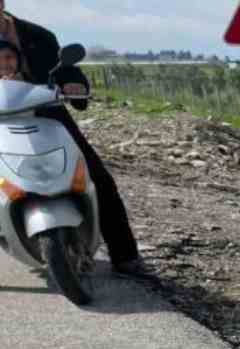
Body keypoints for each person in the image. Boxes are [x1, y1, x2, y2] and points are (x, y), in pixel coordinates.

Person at [0, 3, 146, 274]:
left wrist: (75, 85)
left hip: (47, 114)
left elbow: (66, 71)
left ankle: (125, 256)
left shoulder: (38, 36)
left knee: (96, 177)